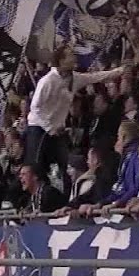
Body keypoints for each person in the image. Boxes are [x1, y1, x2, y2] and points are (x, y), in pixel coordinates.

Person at [26, 47, 124, 180]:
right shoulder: (47, 81)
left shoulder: (75, 78)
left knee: (65, 165)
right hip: (39, 129)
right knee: (37, 167)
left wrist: (118, 71)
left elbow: (95, 77)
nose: (74, 57)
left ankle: (66, 190)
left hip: (57, 130)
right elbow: (35, 107)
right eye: (70, 55)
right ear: (61, 61)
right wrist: (49, 127)